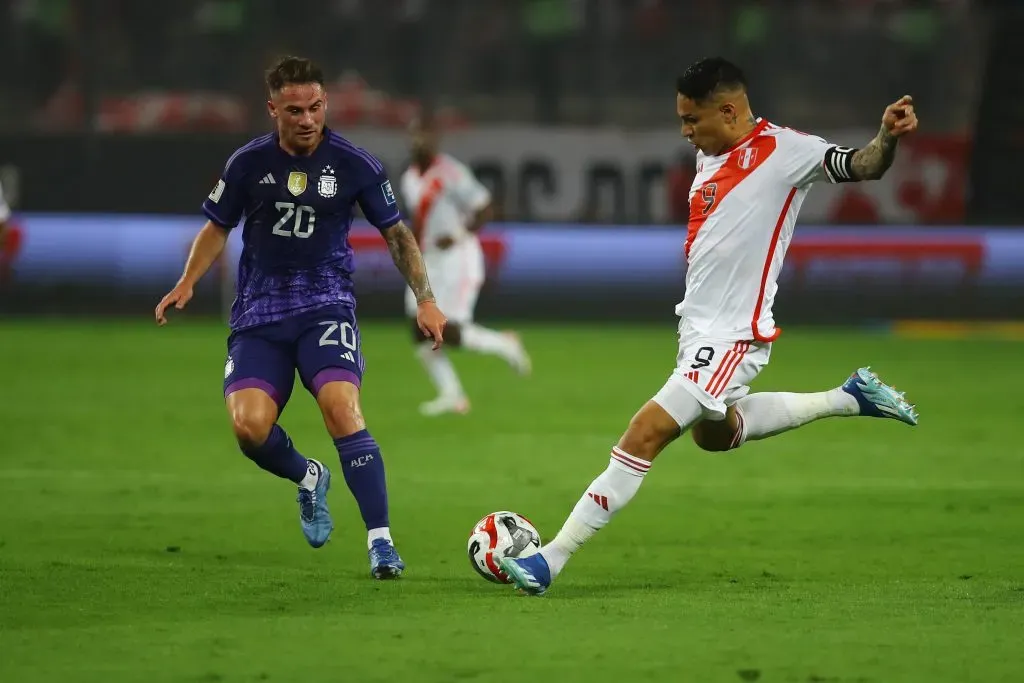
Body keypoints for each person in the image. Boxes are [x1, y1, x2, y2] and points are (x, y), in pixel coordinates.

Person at [500, 57, 920, 595]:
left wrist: (886, 135)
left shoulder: (789, 153)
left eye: (692, 119)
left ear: (728, 110)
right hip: (696, 331)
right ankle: (850, 396)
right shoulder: (709, 156)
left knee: (644, 432)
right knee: (714, 436)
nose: (685, 131)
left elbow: (864, 165)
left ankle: (549, 560)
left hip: (733, 337)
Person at [154, 56, 447, 579]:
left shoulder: (356, 164)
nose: (307, 118)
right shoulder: (247, 163)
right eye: (295, 110)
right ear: (273, 110)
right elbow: (217, 227)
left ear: (325, 104)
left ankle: (380, 542)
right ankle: (308, 476)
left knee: (341, 407)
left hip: (324, 306)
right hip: (260, 314)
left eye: (315, 107)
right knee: (248, 427)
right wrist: (188, 279)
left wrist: (425, 298)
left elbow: (398, 236)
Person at [400, 114, 531, 416]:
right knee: (418, 327)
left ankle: (504, 344)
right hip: (427, 259)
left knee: (452, 331)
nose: (419, 141)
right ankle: (452, 396)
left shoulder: (451, 173)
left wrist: (457, 234)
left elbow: (485, 208)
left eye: (425, 135)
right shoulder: (409, 178)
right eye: (414, 134)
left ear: (435, 139)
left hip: (458, 258)